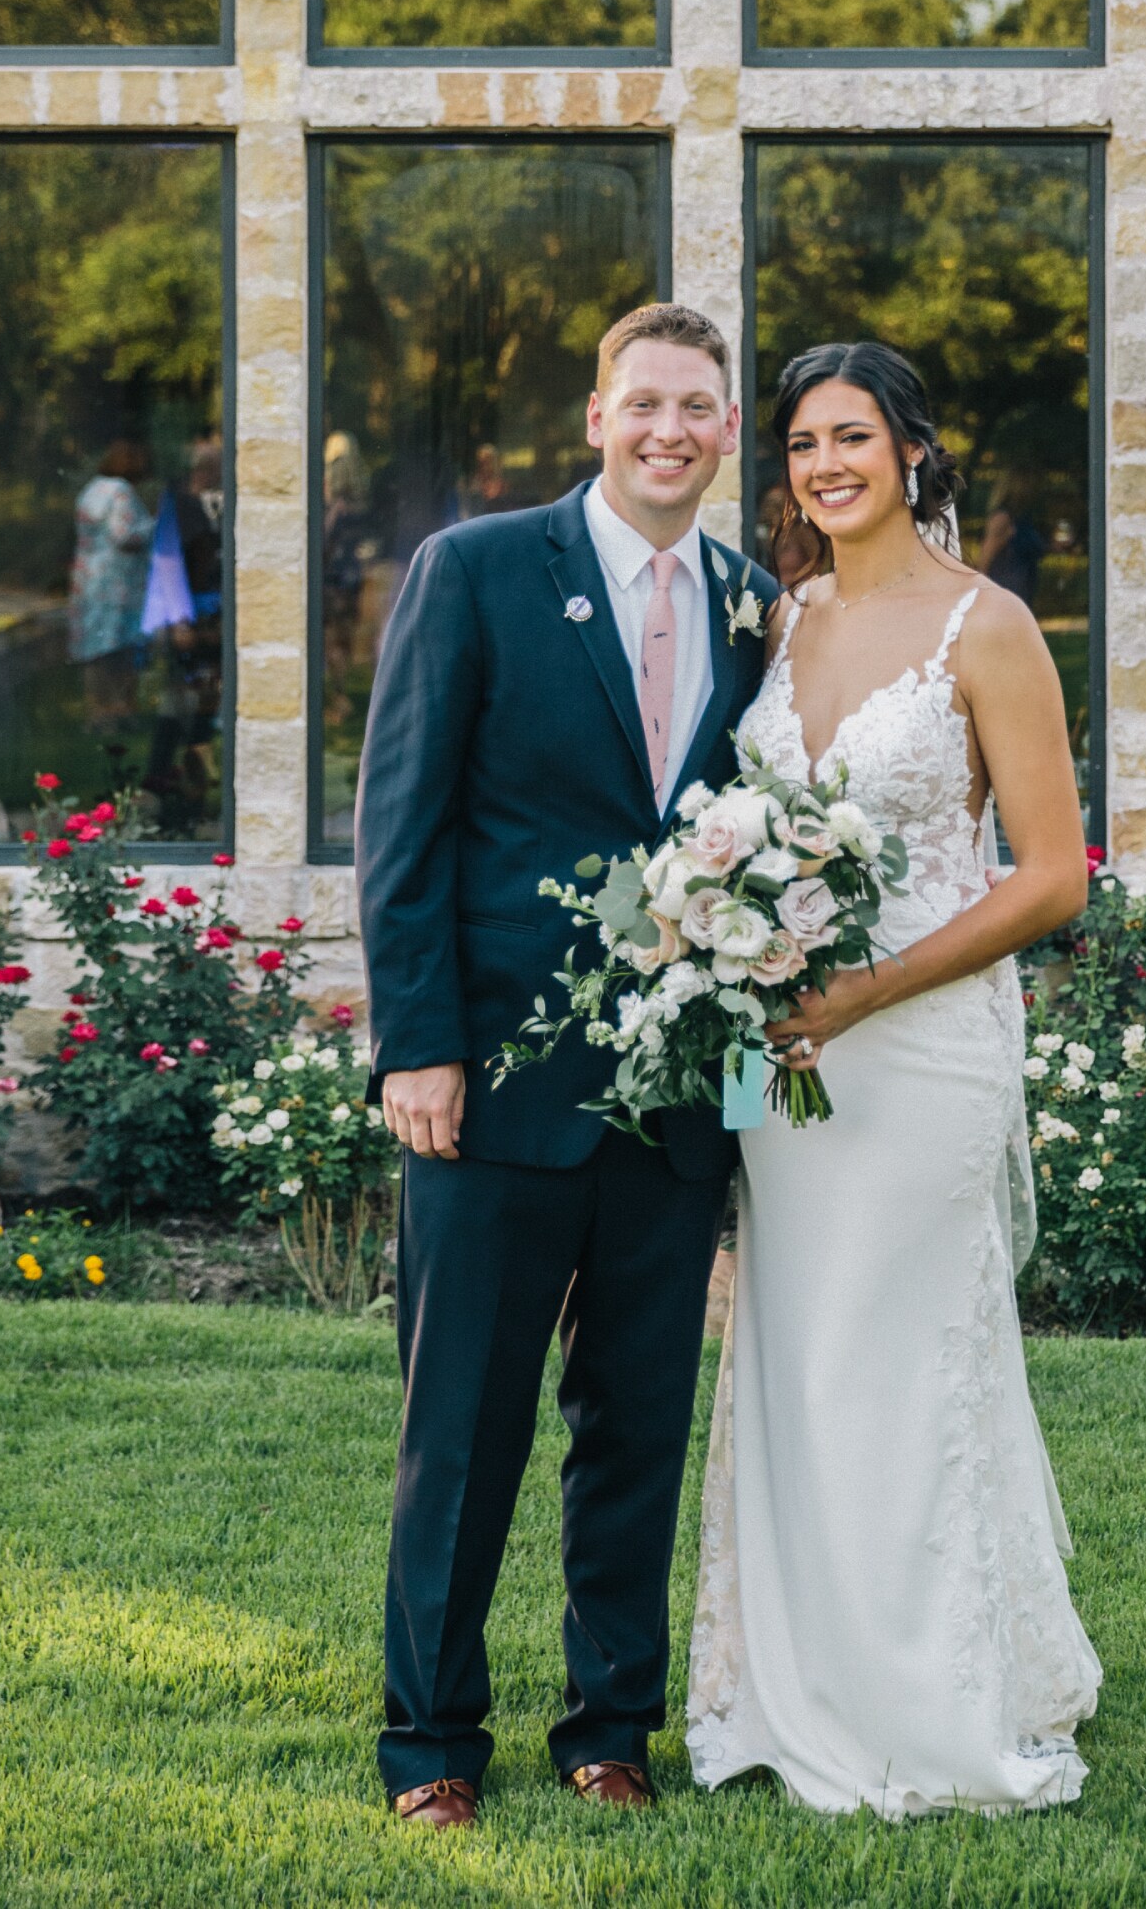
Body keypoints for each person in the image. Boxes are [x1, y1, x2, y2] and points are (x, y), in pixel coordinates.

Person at [357, 303, 778, 1831]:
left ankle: (610, 1727)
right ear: (596, 416)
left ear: (726, 432)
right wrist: (420, 1045)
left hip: (673, 1106)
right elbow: (403, 824)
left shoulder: (750, 604)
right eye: (645, 403)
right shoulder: (473, 571)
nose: (671, 431)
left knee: (637, 1425)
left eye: (699, 409)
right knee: (462, 1430)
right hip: (493, 1091)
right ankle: (432, 1747)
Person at [688, 339, 1101, 1817]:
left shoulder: (986, 628)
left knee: (901, 1346)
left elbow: (1054, 876)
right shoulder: (775, 618)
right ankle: (794, 1686)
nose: (825, 465)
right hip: (783, 1050)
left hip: (921, 1043)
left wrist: (864, 989)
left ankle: (933, 1707)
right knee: (794, 1354)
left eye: (853, 436)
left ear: (917, 451)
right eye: (802, 444)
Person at [67, 439, 154, 735]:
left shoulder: (92, 489)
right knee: (119, 648)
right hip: (116, 582)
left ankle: (96, 711)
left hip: (88, 578)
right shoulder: (121, 492)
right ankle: (118, 711)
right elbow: (124, 534)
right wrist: (154, 527)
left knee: (94, 648)